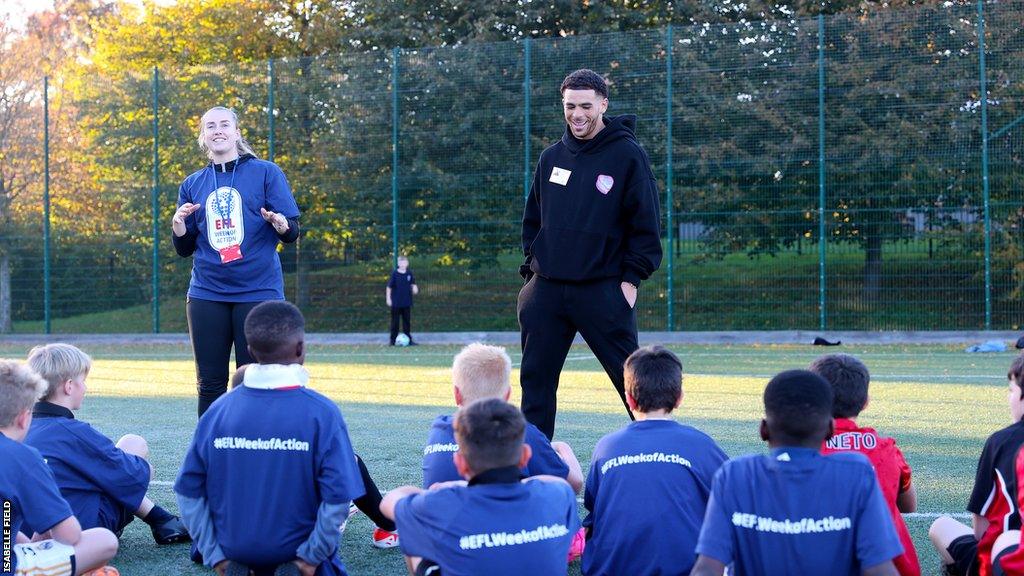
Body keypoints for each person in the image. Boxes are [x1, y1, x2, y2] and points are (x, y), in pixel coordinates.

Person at [518, 68, 662, 439]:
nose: (577, 114)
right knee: (535, 385)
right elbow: (533, 220)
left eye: (585, 105)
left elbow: (646, 225)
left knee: (634, 383)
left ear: (603, 104)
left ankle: (660, 457)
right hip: (547, 290)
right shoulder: (551, 157)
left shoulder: (628, 156)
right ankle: (534, 472)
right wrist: (532, 276)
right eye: (570, 106)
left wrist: (630, 280)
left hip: (603, 290)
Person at [174, 300, 365, 576]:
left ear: (250, 351)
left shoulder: (217, 412)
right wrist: (310, 559)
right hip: (300, 563)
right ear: (300, 348)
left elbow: (188, 492)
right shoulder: (322, 413)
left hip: (235, 561)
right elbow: (337, 500)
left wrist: (214, 555)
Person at [691, 370, 903, 576]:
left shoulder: (735, 475)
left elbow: (707, 569)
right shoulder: (856, 473)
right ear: (830, 430)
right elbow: (879, 569)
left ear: (764, 430)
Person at [172, 105, 301, 417]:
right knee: (210, 383)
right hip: (207, 294)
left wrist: (281, 224)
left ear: (236, 132)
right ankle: (212, 455)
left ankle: (252, 452)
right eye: (211, 126)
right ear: (204, 137)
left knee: (253, 381)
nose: (218, 130)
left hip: (258, 293)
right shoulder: (192, 184)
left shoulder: (266, 173)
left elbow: (292, 232)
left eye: (224, 124)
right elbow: (185, 248)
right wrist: (178, 228)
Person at [381, 398, 580, 576]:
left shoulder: (442, 504)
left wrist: (445, 488)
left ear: (459, 463)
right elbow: (558, 481)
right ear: (525, 456)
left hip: (451, 501)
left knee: (415, 528)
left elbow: (389, 502)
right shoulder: (558, 493)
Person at [23, 343, 189, 545]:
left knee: (101, 471)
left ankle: (162, 520)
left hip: (21, 532)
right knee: (133, 447)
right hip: (78, 530)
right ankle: (163, 520)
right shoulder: (74, 432)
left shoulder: (19, 428)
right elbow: (131, 477)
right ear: (68, 386)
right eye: (83, 381)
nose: (85, 387)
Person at [582, 346, 727, 576]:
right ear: (679, 398)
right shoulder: (702, 445)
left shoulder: (606, 447)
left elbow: (594, 510)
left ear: (628, 398)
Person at [229, 364, 401, 550]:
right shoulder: (308, 419)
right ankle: (383, 524)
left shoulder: (216, 425)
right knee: (348, 461)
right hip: (288, 543)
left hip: (231, 542)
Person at [0, 359, 120, 576]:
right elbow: (69, 535)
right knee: (104, 540)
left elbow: (5, 521)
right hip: (7, 567)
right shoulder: (21, 457)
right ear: (24, 418)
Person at [421, 343, 584, 493]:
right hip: (504, 520)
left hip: (445, 521)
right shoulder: (524, 433)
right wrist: (563, 447)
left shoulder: (439, 430)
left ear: (457, 394)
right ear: (507, 395)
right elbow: (575, 484)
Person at [812, 353, 920, 576]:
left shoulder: (803, 450)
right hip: (891, 564)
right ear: (865, 401)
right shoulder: (886, 449)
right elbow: (908, 506)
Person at [930, 354, 1024, 576]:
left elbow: (980, 530)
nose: (1008, 397)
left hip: (1005, 556)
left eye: (1011, 390)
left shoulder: (1001, 442)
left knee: (942, 527)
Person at [387, 255, 419, 345]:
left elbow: (413, 284)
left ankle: (408, 340)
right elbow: (389, 287)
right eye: (401, 262)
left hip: (406, 302)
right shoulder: (395, 274)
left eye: (404, 262)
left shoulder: (409, 273)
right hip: (396, 303)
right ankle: (392, 340)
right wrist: (388, 299)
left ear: (407, 263)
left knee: (406, 322)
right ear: (398, 264)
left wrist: (415, 288)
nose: (403, 264)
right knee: (395, 323)